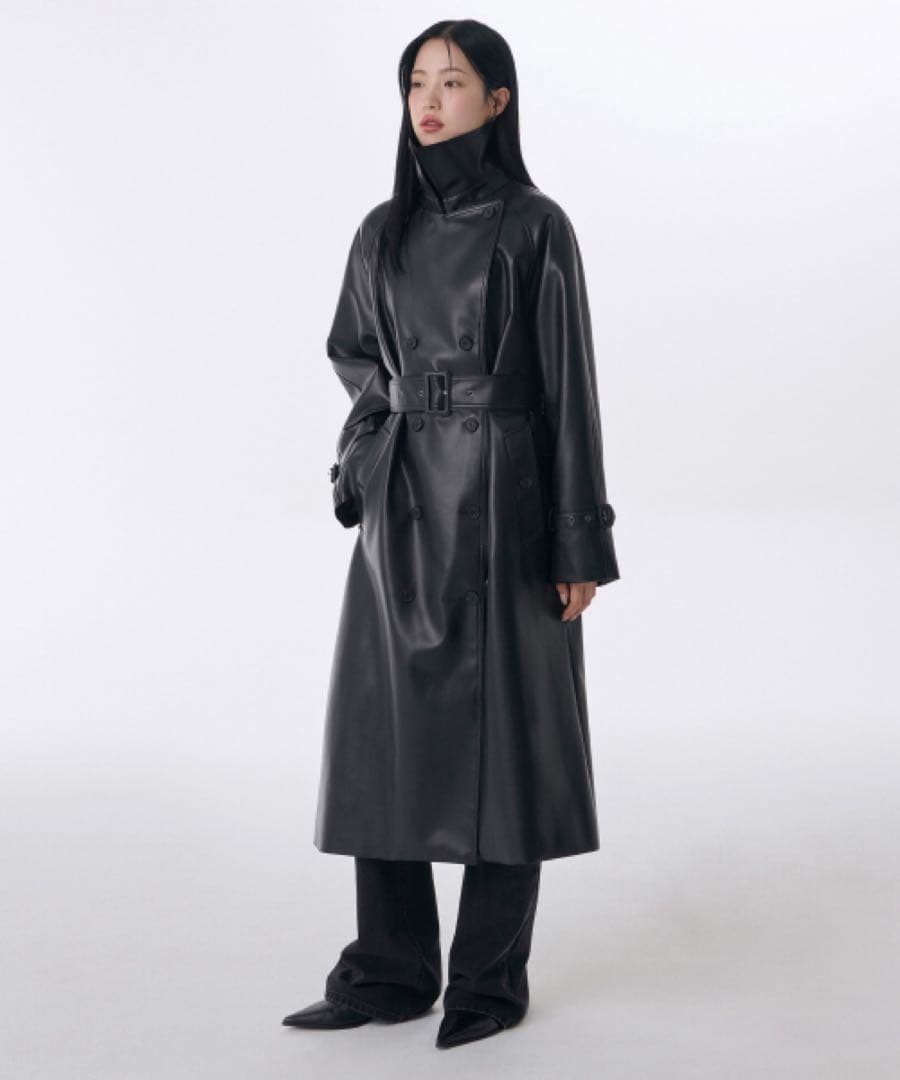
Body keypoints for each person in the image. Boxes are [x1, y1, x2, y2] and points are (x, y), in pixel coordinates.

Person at [282, 19, 620, 1050]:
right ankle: (387, 971)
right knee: (380, 739)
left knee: (507, 743)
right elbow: (355, 354)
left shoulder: (536, 226)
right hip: (404, 509)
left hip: (506, 503)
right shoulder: (379, 231)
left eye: (453, 82)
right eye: (417, 83)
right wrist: (367, 452)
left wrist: (577, 541)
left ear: (497, 100)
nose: (429, 102)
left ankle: (487, 978)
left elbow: (570, 389)